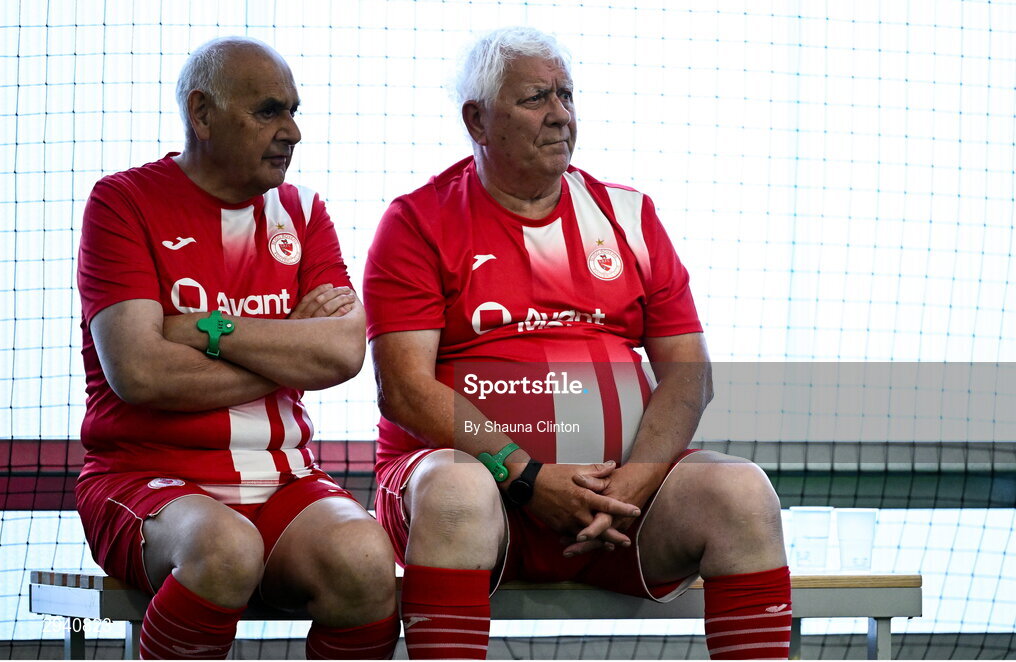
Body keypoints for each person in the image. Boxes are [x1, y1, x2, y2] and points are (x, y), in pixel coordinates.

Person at [364, 26, 790, 660]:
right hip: (481, 499)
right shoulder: (417, 221)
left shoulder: (629, 216)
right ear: (478, 120)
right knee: (456, 492)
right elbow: (403, 389)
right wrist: (529, 477)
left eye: (567, 94)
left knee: (743, 493)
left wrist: (631, 486)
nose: (561, 114)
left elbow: (689, 374)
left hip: (620, 505)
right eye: (537, 97)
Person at [76, 36, 399, 660]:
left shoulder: (303, 213)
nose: (293, 132)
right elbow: (139, 372)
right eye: (269, 111)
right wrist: (287, 354)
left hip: (285, 479)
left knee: (366, 562)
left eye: (295, 111)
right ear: (201, 112)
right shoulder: (123, 201)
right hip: (142, 475)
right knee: (224, 551)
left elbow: (342, 355)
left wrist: (206, 330)